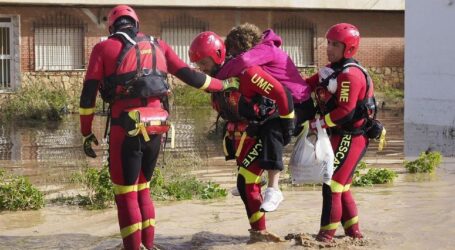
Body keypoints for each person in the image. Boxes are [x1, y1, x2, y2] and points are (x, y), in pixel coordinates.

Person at [79, 5, 233, 250]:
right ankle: (148, 246)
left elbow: (88, 98)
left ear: (112, 27)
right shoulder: (159, 45)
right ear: (136, 24)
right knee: (143, 189)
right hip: (157, 127)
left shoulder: (103, 48)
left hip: (125, 126)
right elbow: (194, 78)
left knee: (126, 193)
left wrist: (86, 131)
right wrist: (226, 84)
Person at [189, 31, 294, 243]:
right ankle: (258, 233)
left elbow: (282, 93)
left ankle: (260, 233)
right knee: (243, 184)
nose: (201, 68)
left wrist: (287, 125)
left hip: (259, 132)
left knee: (248, 183)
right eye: (198, 63)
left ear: (218, 54)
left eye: (204, 62)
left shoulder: (247, 73)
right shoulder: (216, 77)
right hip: (239, 137)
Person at [219, 23, 316, 212]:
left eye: (232, 51)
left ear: (241, 45)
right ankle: (257, 176)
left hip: (299, 103)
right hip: (281, 102)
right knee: (253, 126)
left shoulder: (266, 49)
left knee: (273, 129)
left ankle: (274, 189)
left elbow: (243, 62)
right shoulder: (262, 49)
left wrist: (215, 77)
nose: (231, 56)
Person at [306, 23, 379, 242]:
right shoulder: (331, 70)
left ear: (348, 48)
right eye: (328, 43)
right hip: (340, 134)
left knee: (332, 185)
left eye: (335, 44)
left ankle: (324, 239)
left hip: (353, 136)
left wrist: (319, 123)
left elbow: (346, 111)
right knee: (343, 185)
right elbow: (304, 85)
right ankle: (354, 235)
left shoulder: (350, 75)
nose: (329, 48)